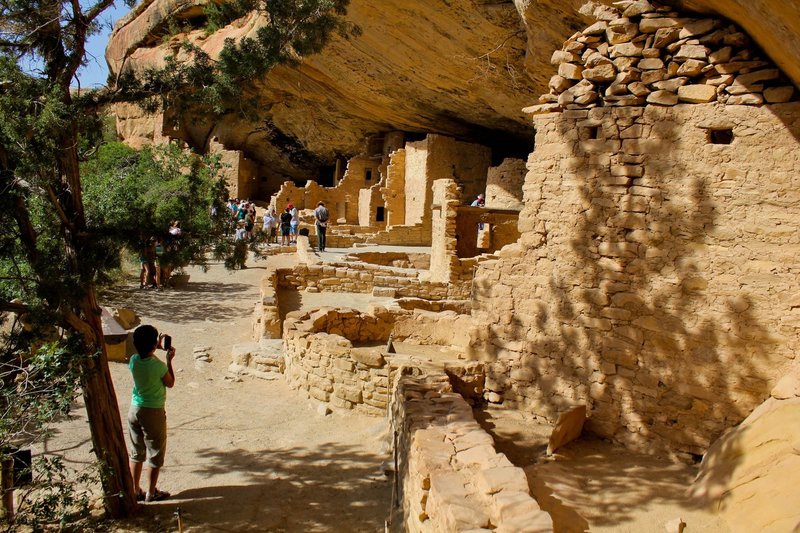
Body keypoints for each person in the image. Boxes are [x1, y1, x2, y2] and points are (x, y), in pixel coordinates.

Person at [128, 325, 176, 503]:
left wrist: (153, 346)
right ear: (155, 344)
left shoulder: (133, 360)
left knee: (136, 451)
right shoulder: (159, 366)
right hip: (153, 411)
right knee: (155, 452)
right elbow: (170, 383)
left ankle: (134, 490)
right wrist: (169, 360)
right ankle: (150, 492)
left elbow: (143, 357)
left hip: (134, 410)